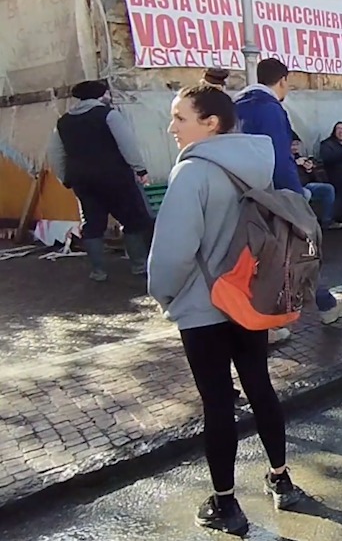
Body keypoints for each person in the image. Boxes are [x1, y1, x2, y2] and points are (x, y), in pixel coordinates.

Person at [148, 84, 303, 535]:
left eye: (181, 118)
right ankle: (281, 479)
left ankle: (225, 505)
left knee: (217, 403)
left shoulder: (192, 174)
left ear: (210, 122)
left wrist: (165, 297)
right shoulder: (258, 164)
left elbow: (173, 254)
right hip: (249, 298)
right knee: (260, 385)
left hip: (202, 306)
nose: (172, 128)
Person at [233, 58, 342, 332]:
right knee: (296, 254)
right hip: (274, 194)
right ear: (282, 81)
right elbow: (278, 156)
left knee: (270, 258)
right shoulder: (271, 109)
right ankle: (282, 319)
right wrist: (295, 198)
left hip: (245, 193)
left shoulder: (237, 107)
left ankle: (323, 305)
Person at [46, 80, 152, 281]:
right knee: (132, 220)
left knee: (92, 224)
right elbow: (127, 144)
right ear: (102, 95)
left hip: (83, 180)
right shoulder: (109, 115)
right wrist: (140, 169)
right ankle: (139, 265)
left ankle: (98, 271)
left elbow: (55, 153)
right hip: (115, 177)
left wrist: (65, 178)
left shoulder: (63, 121)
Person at [290, 133, 342, 230]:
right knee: (306, 193)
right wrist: (294, 164)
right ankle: (302, 224)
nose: (295, 147)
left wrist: (309, 170)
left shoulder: (299, 157)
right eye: (292, 145)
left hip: (306, 185)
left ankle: (327, 221)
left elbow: (313, 179)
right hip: (292, 187)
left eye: (297, 144)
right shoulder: (285, 159)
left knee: (328, 189)